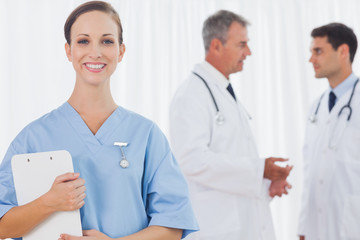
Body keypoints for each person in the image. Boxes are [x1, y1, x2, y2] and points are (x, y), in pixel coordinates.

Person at [0, 1, 198, 240]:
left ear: (121, 51)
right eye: (83, 41)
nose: (95, 52)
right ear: (68, 50)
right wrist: (49, 203)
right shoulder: (34, 137)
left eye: (107, 41)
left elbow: (173, 226)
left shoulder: (146, 135)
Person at [169, 10, 292, 240]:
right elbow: (191, 160)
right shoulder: (191, 95)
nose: (248, 52)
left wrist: (265, 184)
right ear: (216, 46)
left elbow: (231, 158)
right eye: (242, 44)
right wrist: (258, 170)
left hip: (240, 223)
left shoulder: (222, 91)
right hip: (215, 228)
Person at [298, 23, 360, 240]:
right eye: (311, 52)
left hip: (352, 224)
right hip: (317, 228)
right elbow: (310, 172)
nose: (311, 59)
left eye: (318, 51)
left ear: (343, 52)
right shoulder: (316, 107)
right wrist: (303, 228)